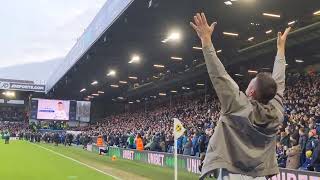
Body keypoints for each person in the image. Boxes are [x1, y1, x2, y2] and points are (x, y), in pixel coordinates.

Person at [190, 13, 290, 179]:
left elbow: (219, 75)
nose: (248, 84)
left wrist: (206, 40)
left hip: (232, 173)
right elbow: (279, 81)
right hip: (258, 174)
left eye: (251, 82)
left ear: (251, 92)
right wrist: (280, 51)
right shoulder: (277, 113)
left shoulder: (238, 105)